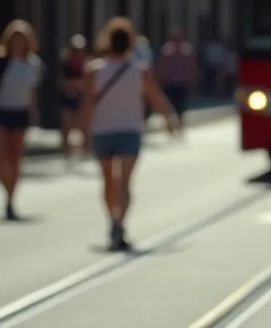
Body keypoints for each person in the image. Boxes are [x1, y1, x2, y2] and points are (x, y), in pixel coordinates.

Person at [85, 17, 180, 251]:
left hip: (102, 130)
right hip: (130, 131)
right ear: (130, 43)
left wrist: (84, 132)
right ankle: (119, 222)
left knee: (108, 180)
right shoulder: (140, 70)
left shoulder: (94, 70)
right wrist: (169, 118)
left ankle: (112, 220)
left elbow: (87, 104)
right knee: (125, 182)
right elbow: (154, 97)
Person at [0, 20, 42, 221]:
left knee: (15, 157)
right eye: (15, 39)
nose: (18, 43)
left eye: (22, 39)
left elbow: (32, 93)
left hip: (19, 112)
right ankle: (6, 186)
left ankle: (10, 198)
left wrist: (33, 115)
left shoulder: (33, 64)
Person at [59, 35, 91, 161]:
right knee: (67, 123)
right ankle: (65, 152)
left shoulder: (88, 66)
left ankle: (85, 149)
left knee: (84, 125)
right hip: (68, 99)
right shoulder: (65, 65)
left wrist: (79, 85)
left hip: (82, 100)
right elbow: (61, 83)